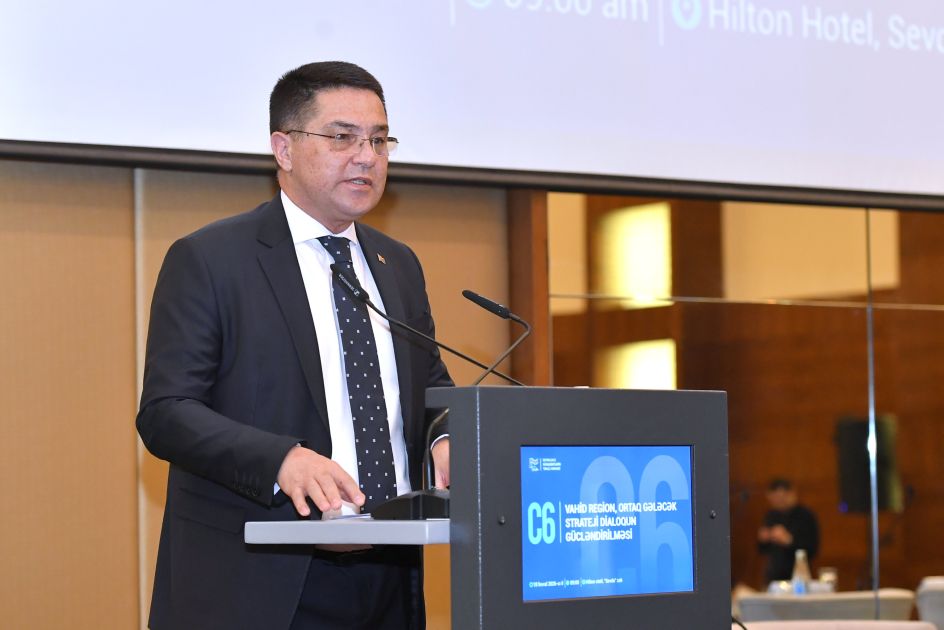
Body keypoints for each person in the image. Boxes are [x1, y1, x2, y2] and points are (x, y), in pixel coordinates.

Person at [137, 61, 453, 630]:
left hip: (391, 573)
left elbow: (430, 385)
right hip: (262, 580)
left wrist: (447, 436)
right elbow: (167, 413)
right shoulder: (210, 260)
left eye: (379, 140)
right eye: (342, 137)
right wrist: (280, 458)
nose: (367, 156)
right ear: (283, 149)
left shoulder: (397, 264)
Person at [757, 478, 820, 584]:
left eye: (782, 497)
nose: (779, 501)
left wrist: (788, 540)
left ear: (792, 494)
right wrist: (763, 539)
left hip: (798, 576)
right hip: (773, 576)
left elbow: (812, 549)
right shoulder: (771, 515)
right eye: (775, 498)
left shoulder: (805, 516)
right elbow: (762, 550)